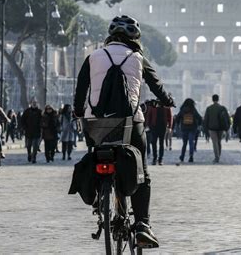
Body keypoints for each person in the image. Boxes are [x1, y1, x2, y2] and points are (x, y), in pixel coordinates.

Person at [73, 15, 175, 248]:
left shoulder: (93, 57)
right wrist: (168, 100)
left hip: (95, 123)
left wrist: (79, 113)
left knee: (97, 152)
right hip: (130, 124)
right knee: (143, 172)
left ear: (109, 37)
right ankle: (142, 225)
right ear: (134, 38)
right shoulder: (138, 58)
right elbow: (157, 87)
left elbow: (80, 92)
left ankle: (101, 193)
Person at [203, 94, 230, 163]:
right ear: (218, 99)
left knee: (214, 142)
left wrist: (205, 129)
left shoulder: (209, 108)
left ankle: (216, 156)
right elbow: (227, 118)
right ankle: (218, 155)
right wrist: (227, 128)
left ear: (212, 99)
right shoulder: (222, 108)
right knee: (219, 142)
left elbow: (206, 119)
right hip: (220, 128)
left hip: (212, 128)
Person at [146, 100, 173, 165]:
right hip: (154, 126)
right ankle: (155, 158)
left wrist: (170, 127)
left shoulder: (166, 105)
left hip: (162, 127)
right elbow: (149, 115)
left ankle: (160, 159)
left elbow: (170, 116)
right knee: (153, 142)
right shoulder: (153, 105)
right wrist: (147, 125)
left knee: (161, 143)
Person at [175, 98, 202, 163]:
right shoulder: (193, 110)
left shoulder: (182, 109)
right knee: (191, 142)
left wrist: (178, 124)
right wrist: (199, 124)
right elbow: (199, 117)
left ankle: (182, 156)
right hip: (192, 128)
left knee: (184, 143)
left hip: (184, 128)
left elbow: (177, 118)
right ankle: (191, 156)